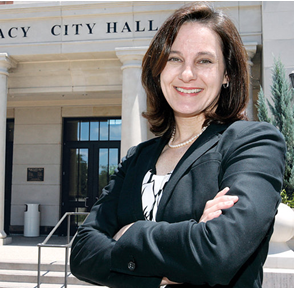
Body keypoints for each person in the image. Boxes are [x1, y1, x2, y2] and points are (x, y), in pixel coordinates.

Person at [70, 2, 286, 288]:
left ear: (227, 75)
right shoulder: (138, 158)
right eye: (174, 59)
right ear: (159, 70)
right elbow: (83, 254)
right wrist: (190, 236)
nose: (187, 74)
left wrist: (130, 233)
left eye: (204, 61)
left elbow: (218, 254)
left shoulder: (253, 143)